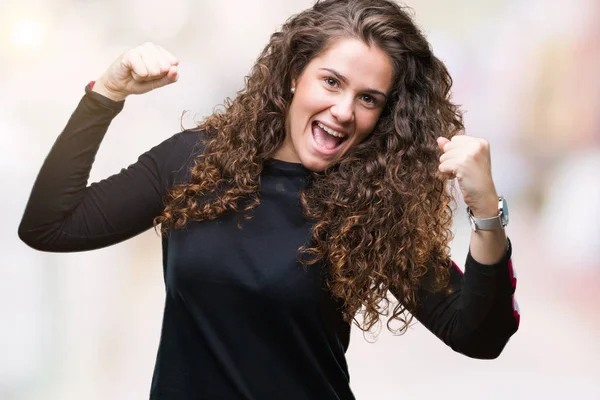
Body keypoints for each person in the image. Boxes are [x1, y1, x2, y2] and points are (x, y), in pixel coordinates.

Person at [18, 0, 519, 398]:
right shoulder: (195, 161)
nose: (344, 110)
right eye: (332, 81)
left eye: (368, 98)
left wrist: (486, 213)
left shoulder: (374, 205)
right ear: (294, 74)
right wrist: (106, 93)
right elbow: (50, 226)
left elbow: (477, 336)